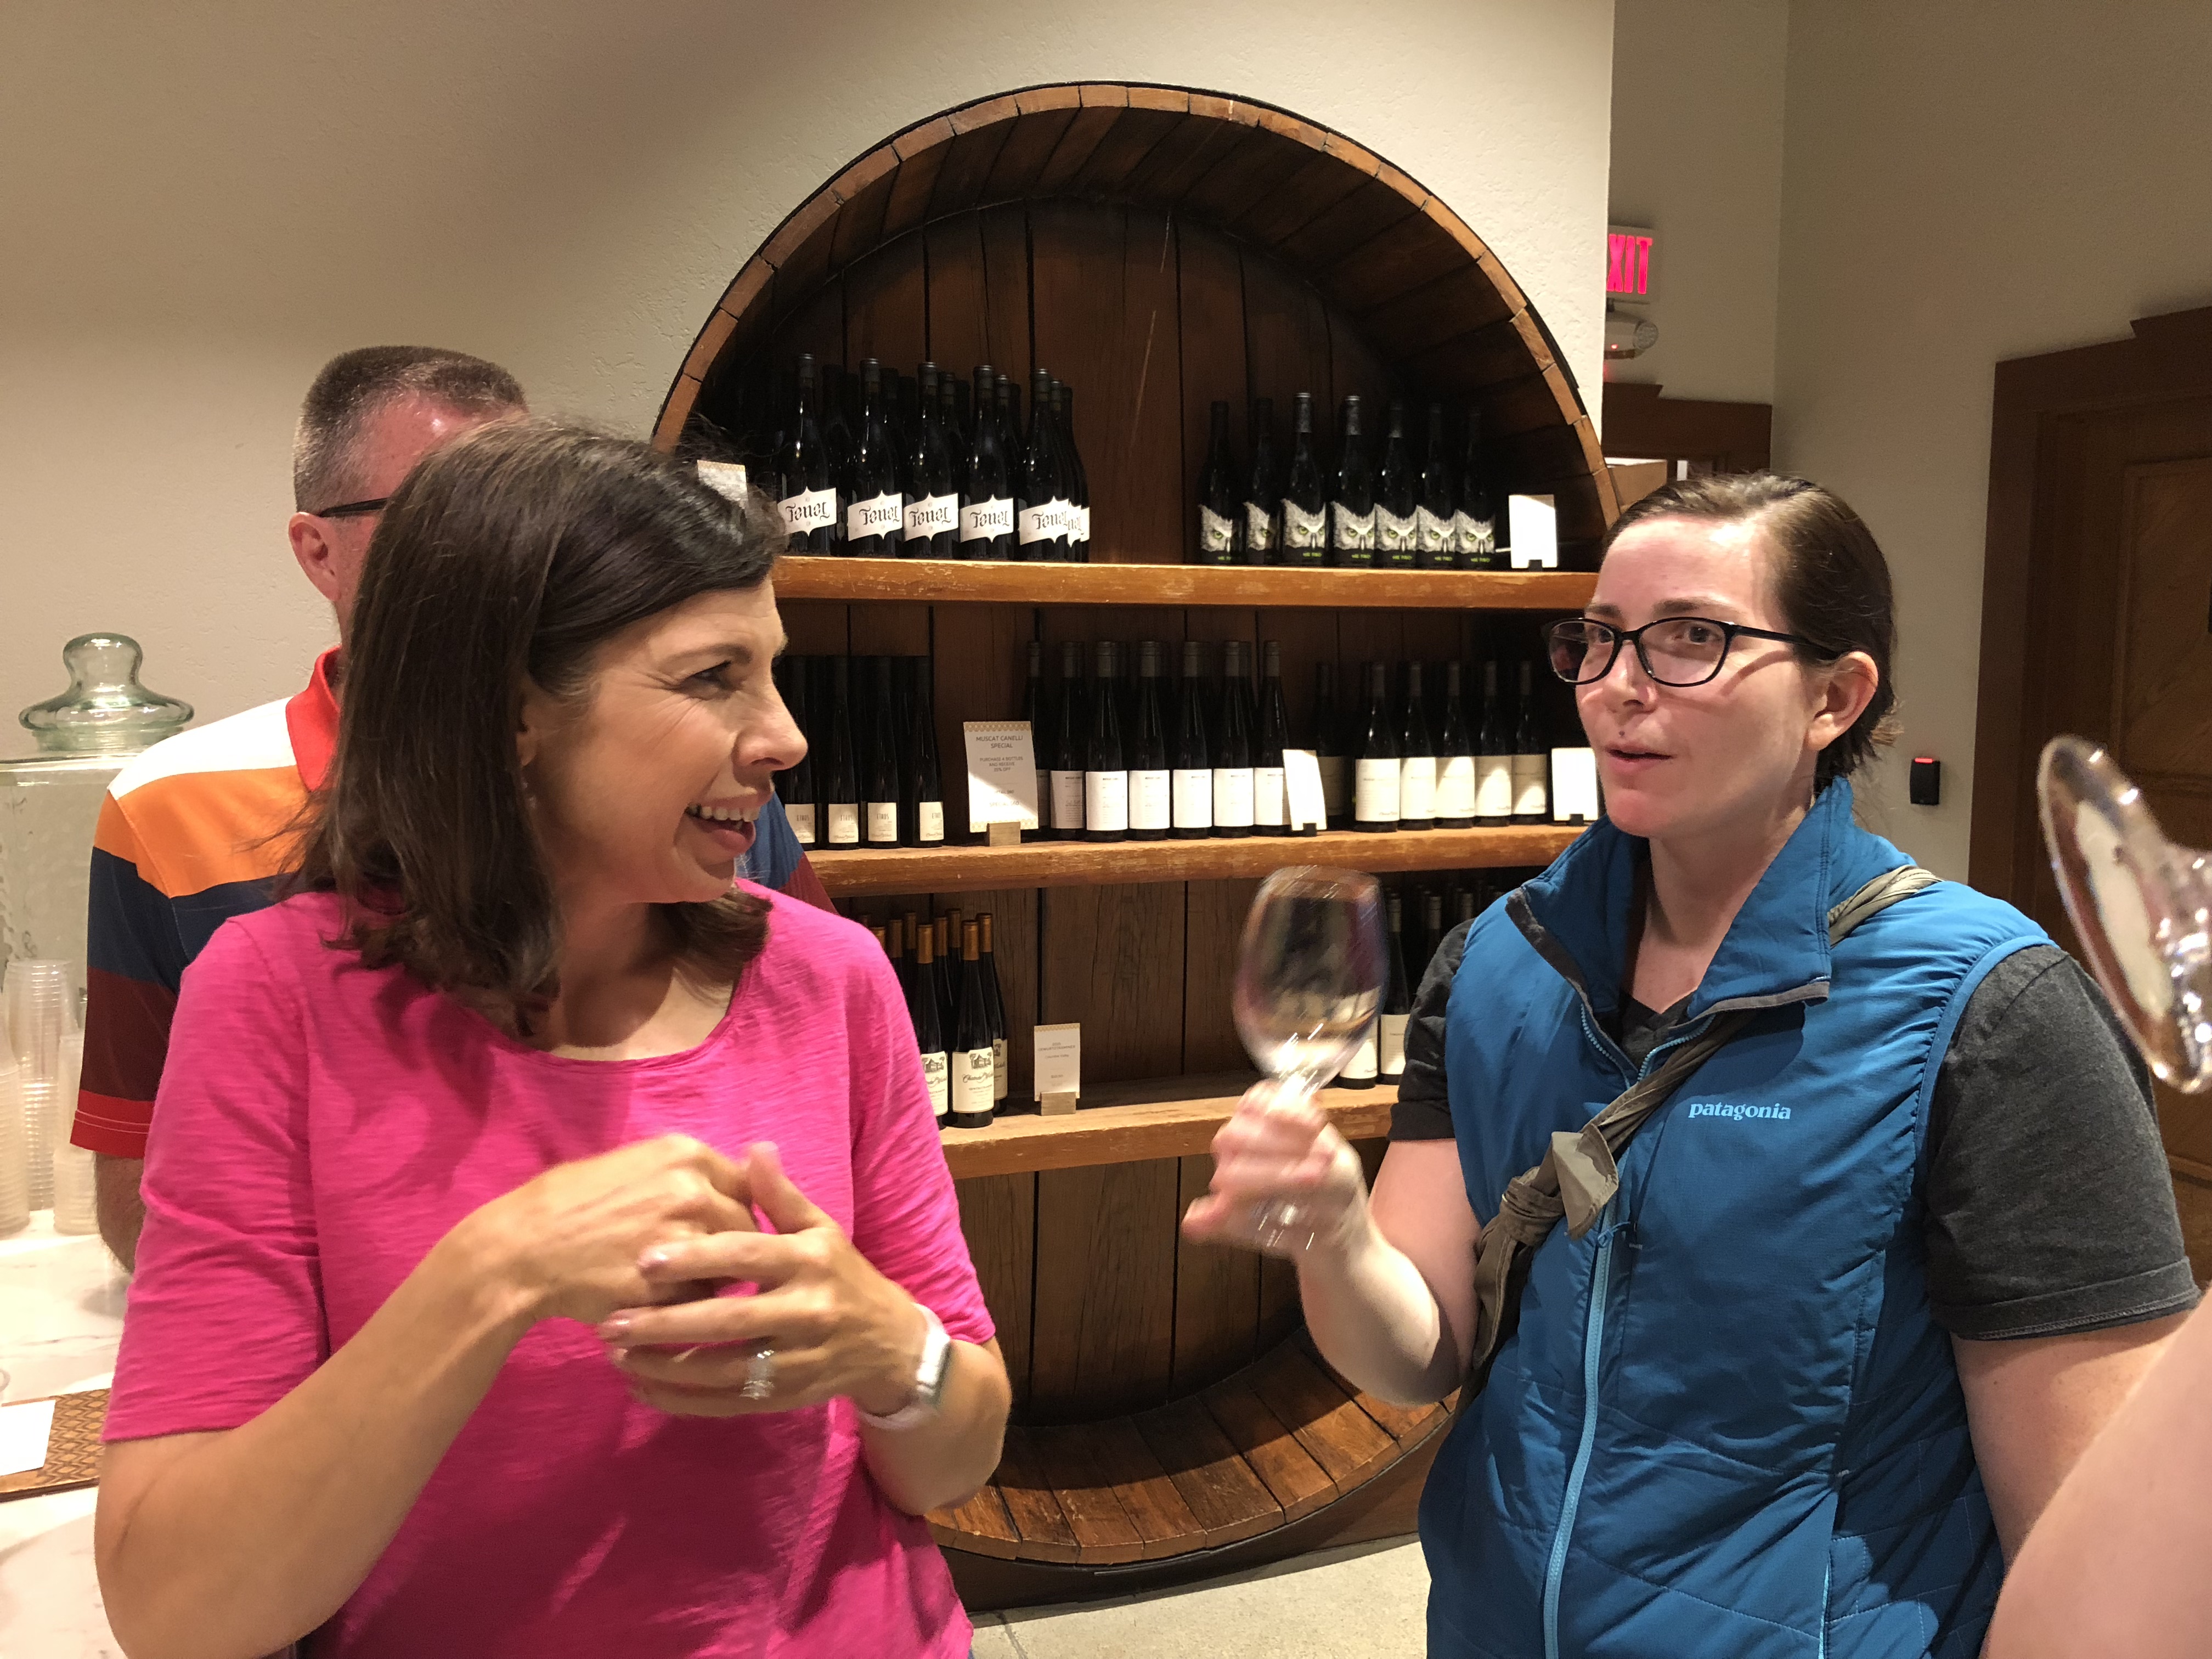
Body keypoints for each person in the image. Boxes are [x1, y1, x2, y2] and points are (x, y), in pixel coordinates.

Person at [1186, 472, 2196, 1657]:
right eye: (1600, 639)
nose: (1620, 685)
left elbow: (2094, 1563)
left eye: (1690, 640)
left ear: (1834, 697)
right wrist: (1337, 1240)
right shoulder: (1500, 965)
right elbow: (1420, 1359)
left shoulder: (1992, 1012)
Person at [93, 421, 1008, 1659]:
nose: (786, 736)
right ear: (512, 710)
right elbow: (173, 1610)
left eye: (771, 671)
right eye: (714, 677)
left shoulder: (828, 976)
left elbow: (958, 1458)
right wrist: (492, 1281)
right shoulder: (273, 999)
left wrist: (897, 1354)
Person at [69, 345, 832, 1270]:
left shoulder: (720, 810)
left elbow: (812, 1079)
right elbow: (152, 1201)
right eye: (437, 512)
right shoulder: (175, 810)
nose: (501, 550)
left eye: (541, 511)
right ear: (318, 551)